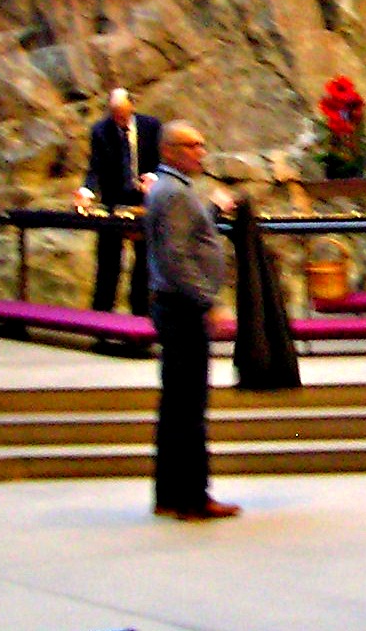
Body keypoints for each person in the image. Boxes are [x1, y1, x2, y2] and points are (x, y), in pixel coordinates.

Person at [144, 119, 240, 521]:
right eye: (191, 145)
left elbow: (186, 239)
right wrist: (208, 302)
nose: (200, 152)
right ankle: (192, 497)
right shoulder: (173, 193)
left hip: (174, 304)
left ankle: (169, 493)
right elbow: (176, 258)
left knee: (176, 404)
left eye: (202, 144)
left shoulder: (171, 189)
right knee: (188, 406)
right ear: (168, 151)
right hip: (182, 308)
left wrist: (214, 211)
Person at [84, 88, 161, 316]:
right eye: (115, 115)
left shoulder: (151, 127)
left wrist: (153, 178)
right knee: (108, 262)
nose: (120, 120)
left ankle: (141, 314)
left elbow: (161, 161)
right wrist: (87, 191)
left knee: (144, 263)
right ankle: (101, 315)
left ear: (132, 107)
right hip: (114, 201)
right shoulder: (100, 130)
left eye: (124, 114)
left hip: (144, 202)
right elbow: (96, 167)